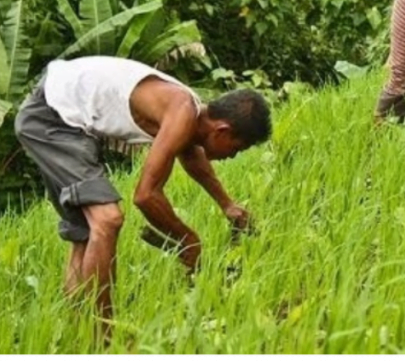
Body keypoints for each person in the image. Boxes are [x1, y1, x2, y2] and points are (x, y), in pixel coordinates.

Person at [14, 56, 271, 335]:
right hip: (54, 118)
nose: (233, 156)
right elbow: (145, 196)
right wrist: (188, 240)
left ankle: (82, 335)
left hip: (61, 114)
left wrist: (227, 204)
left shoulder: (189, 110)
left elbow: (192, 155)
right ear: (223, 130)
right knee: (107, 220)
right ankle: (104, 339)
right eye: (237, 148)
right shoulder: (182, 111)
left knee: (86, 235)